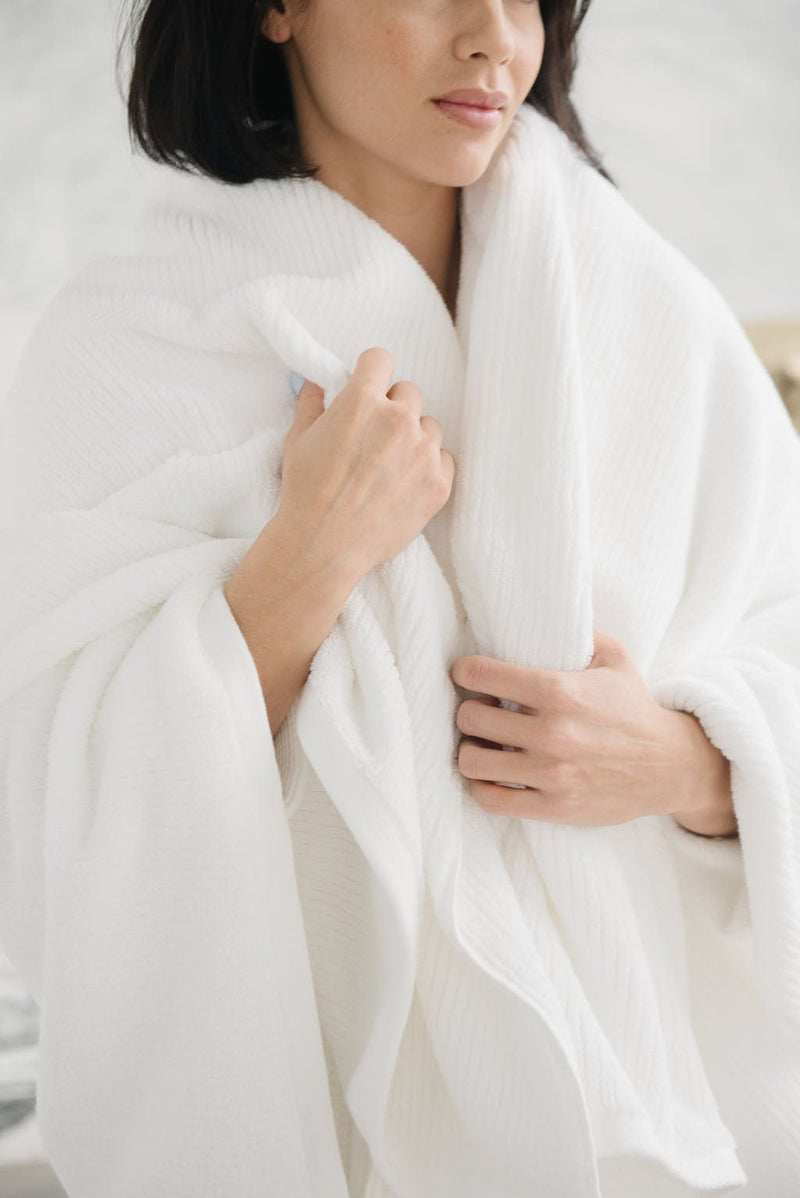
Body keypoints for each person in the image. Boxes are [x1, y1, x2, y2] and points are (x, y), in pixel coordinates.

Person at [1, 0, 799, 1195]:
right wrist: (308, 558)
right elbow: (43, 772)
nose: (494, 37)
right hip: (308, 1110)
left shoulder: (651, 313)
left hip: (641, 1101)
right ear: (274, 9)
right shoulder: (128, 338)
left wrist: (694, 768)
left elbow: (776, 625)